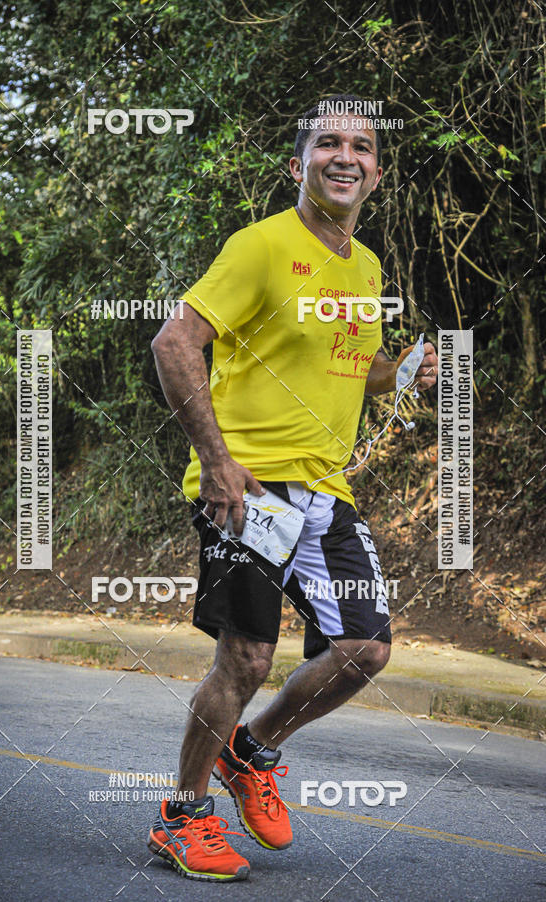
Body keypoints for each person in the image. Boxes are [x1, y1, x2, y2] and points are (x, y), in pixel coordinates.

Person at [148, 93, 438, 882]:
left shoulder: (368, 265)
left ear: (377, 172)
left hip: (326, 488)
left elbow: (355, 372)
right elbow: (175, 342)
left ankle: (253, 750)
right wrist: (214, 462)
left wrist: (400, 369)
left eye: (363, 147)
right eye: (329, 144)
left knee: (365, 647)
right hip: (250, 487)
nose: (347, 157)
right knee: (244, 659)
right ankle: (182, 816)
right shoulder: (260, 247)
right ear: (299, 163)